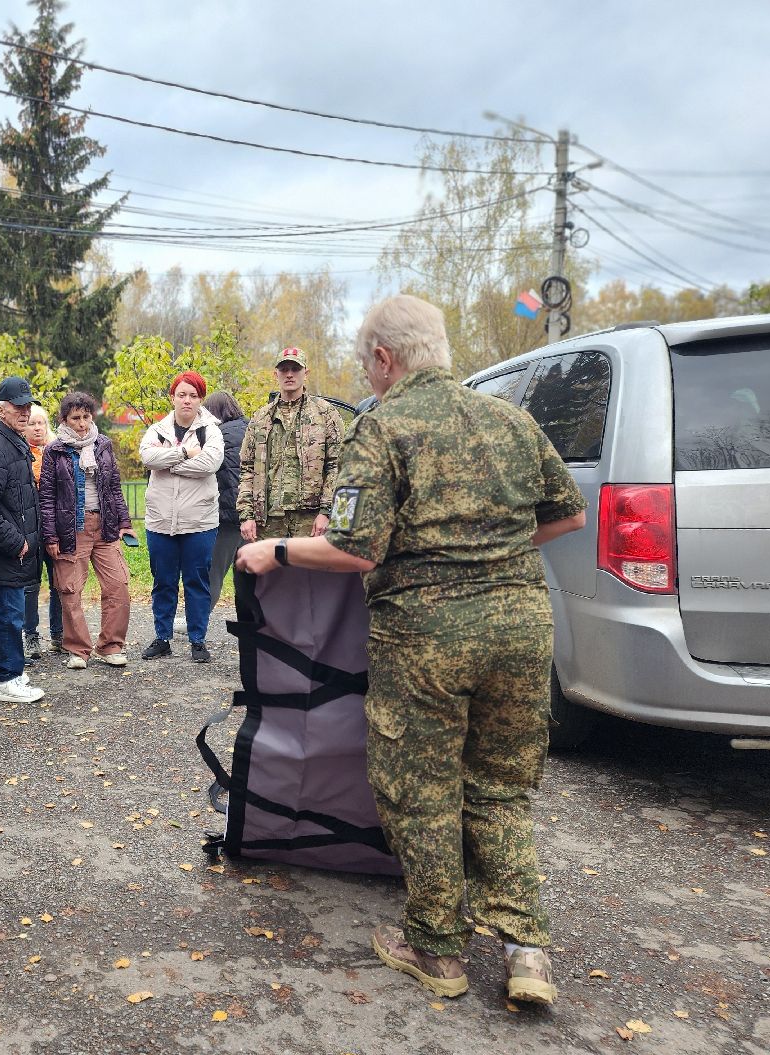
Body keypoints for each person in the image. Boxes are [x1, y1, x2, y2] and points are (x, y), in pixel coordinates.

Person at [237, 295, 586, 1006]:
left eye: (369, 363)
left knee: (424, 790)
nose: (370, 376)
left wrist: (271, 549)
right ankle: (527, 954)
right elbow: (569, 513)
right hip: (520, 628)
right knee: (501, 787)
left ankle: (436, 949)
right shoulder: (510, 418)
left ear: (385, 360)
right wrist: (489, 553)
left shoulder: (383, 425)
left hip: (427, 636)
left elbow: (352, 549)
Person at [40, 390, 136, 670]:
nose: (81, 424)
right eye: (75, 418)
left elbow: (115, 489)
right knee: (70, 589)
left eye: (85, 417)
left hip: (104, 526)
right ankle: (78, 650)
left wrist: (125, 524)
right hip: (71, 528)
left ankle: (111, 645)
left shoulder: (103, 445)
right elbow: (47, 495)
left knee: (118, 584)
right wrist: (50, 535)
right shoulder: (54, 450)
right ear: (65, 420)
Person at [139, 370, 224, 663]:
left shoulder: (211, 430)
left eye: (193, 395)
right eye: (181, 394)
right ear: (173, 397)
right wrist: (185, 453)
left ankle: (197, 640)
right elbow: (148, 458)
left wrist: (170, 462)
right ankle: (162, 637)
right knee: (163, 581)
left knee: (196, 581)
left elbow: (210, 463)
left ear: (200, 399)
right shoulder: (156, 429)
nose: (187, 400)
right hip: (160, 521)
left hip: (199, 523)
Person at [0, 376, 45, 704]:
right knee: (8, 614)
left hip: (12, 551)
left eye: (28, 405)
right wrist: (16, 542)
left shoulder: (12, 442)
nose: (25, 411)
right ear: (1, 410)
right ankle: (8, 677)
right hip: (8, 551)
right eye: (18, 406)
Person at [238, 346, 345, 543]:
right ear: (275, 374)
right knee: (270, 573)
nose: (289, 374)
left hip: (310, 520)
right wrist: (247, 515)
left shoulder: (325, 414)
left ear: (306, 373)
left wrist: (326, 512)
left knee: (308, 573)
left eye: (295, 369)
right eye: (284, 369)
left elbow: (337, 466)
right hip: (269, 520)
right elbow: (247, 469)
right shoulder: (260, 418)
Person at [23, 403, 63, 659]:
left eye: (41, 423)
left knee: (59, 583)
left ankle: (59, 635)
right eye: (32, 423)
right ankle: (31, 635)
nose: (37, 427)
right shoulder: (19, 451)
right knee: (31, 584)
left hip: (55, 526)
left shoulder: (56, 451)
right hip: (28, 528)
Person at [204, 391, 248, 604]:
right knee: (250, 574)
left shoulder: (215, 435)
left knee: (214, 572)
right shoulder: (252, 428)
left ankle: (199, 619)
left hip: (227, 516)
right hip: (252, 515)